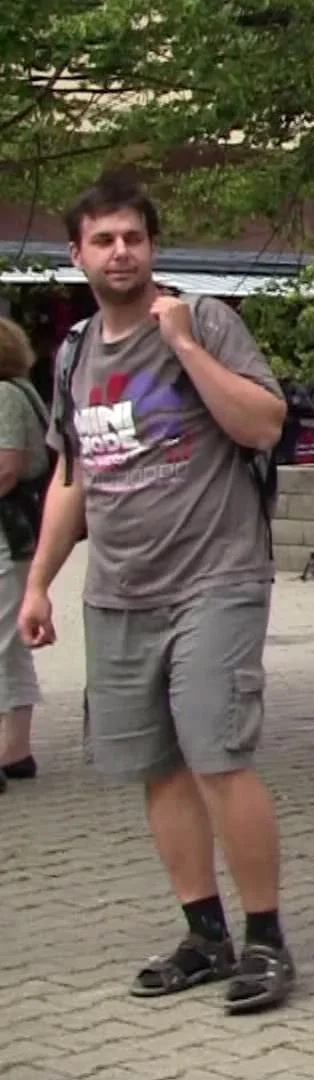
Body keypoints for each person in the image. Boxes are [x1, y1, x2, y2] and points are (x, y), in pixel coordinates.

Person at [22, 177, 298, 1012]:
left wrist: (182, 347)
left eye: (133, 238)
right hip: (119, 592)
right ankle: (204, 935)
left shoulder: (203, 321)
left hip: (215, 577)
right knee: (157, 768)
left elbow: (263, 424)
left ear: (152, 247)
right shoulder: (74, 353)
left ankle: (266, 942)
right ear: (76, 254)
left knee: (219, 756)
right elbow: (73, 477)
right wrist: (38, 583)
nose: (121, 253)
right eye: (104, 240)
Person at [0, 317, 49, 793]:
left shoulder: (4, 395)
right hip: (17, 534)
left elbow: (6, 468)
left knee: (3, 642)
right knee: (10, 642)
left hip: (6, 533)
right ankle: (14, 750)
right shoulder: (21, 390)